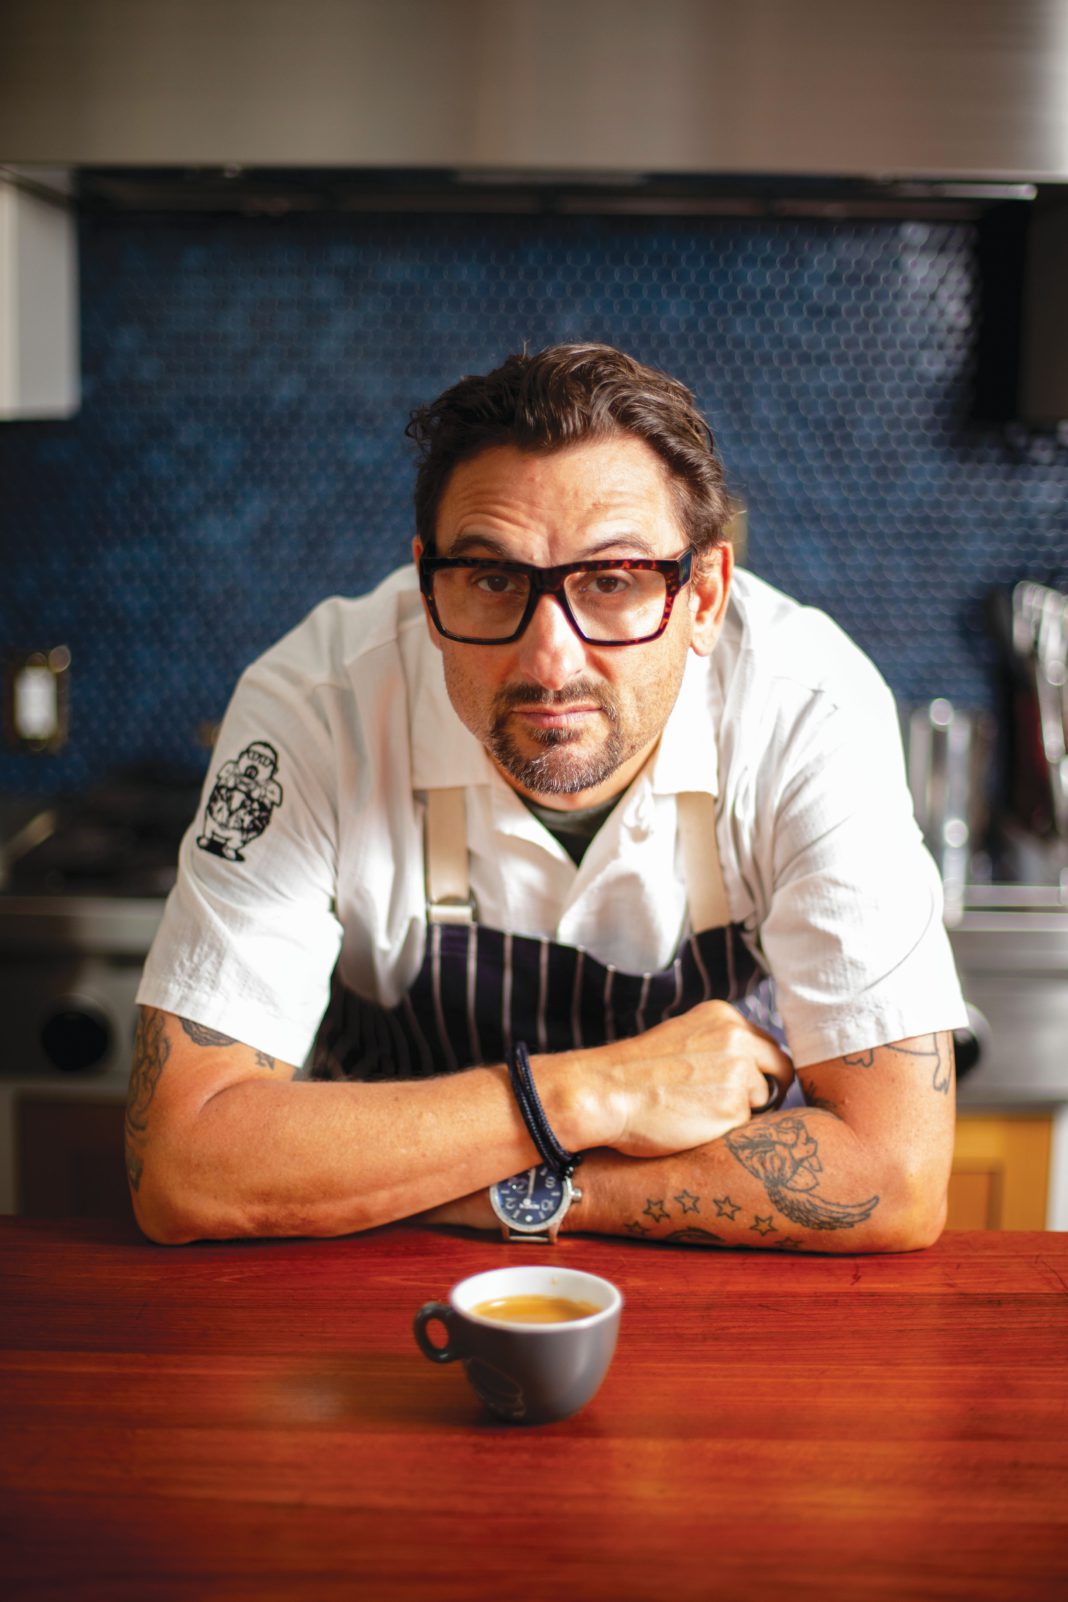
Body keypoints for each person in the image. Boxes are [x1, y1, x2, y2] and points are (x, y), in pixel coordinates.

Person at [128, 342, 965, 1252]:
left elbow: (896, 1177)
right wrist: (596, 1092)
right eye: (493, 581)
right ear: (428, 589)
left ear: (705, 597)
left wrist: (505, 1193)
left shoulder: (808, 711)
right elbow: (184, 1163)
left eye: (612, 581)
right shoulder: (317, 708)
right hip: (379, 1280)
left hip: (716, 1284)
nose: (549, 660)